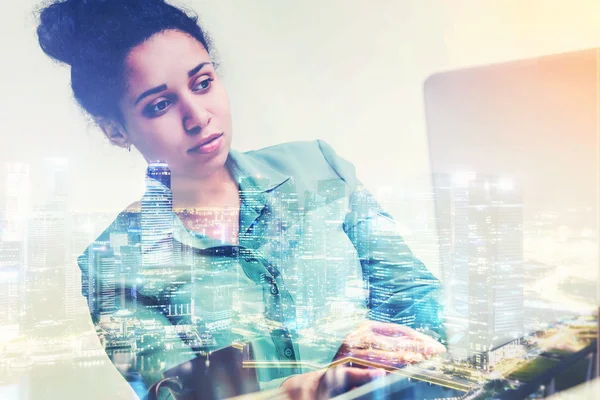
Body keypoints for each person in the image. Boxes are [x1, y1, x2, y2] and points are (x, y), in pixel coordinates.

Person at [36, 0, 446, 398]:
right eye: (160, 104)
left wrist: (398, 348)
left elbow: (416, 296)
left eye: (203, 83)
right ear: (115, 131)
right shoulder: (112, 265)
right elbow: (175, 395)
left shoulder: (318, 168)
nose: (198, 117)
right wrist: (308, 389)